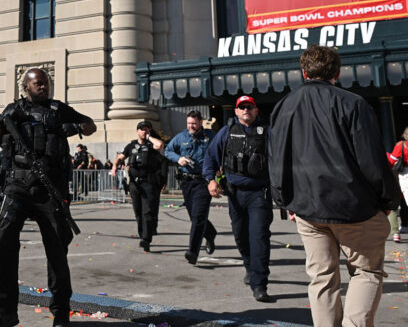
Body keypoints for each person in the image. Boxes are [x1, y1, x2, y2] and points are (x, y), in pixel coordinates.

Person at [269, 45, 401, 327]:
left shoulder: (284, 106)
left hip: (307, 207)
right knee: (366, 272)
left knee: (322, 278)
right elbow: (372, 161)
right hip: (353, 206)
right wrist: (389, 200)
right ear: (338, 73)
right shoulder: (352, 103)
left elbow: (276, 158)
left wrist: (284, 201)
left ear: (303, 72)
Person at [0, 68, 96, 327]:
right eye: (38, 83)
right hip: (18, 188)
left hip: (50, 189)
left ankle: (60, 312)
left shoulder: (58, 109)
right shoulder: (14, 110)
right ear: (26, 87)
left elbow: (90, 125)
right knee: (2, 241)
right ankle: (4, 313)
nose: (43, 87)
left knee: (57, 251)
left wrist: (75, 126)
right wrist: (2, 122)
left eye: (46, 83)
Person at [204, 96, 273, 302]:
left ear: (256, 110)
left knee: (259, 237)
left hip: (259, 193)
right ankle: (249, 266)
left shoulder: (267, 132)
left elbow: (279, 159)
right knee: (241, 236)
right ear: (235, 111)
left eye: (249, 107)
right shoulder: (226, 132)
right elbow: (210, 157)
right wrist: (211, 179)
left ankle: (260, 284)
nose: (245, 110)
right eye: (241, 108)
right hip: (234, 194)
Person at [164, 111, 217, 264]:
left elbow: (219, 151)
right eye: (188, 123)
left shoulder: (210, 136)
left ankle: (192, 252)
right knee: (194, 217)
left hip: (203, 181)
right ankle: (211, 233)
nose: (191, 126)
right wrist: (178, 158)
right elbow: (168, 150)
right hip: (187, 182)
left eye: (193, 123)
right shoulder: (181, 137)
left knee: (199, 216)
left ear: (200, 122)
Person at [112, 121, 167, 251]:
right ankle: (143, 235)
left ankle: (146, 239)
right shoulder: (131, 146)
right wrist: (114, 166)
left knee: (147, 211)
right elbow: (120, 157)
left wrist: (149, 137)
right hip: (134, 184)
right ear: (137, 131)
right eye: (141, 129)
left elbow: (160, 145)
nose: (144, 131)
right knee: (138, 212)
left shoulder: (151, 144)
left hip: (148, 183)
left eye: (146, 129)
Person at [389, 127, 408, 240]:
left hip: (405, 174)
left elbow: (391, 160)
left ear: (404, 135)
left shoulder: (400, 145)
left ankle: (396, 232)